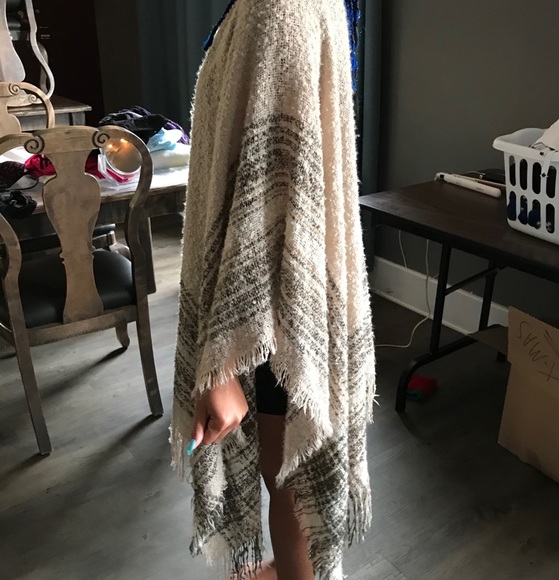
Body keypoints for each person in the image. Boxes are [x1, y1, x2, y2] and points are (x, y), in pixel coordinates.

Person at [170, 0, 375, 579]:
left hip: (278, 299)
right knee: (284, 464)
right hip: (281, 288)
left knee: (292, 469)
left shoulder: (277, 9)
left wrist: (222, 362)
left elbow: (278, 188)